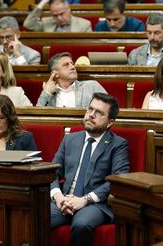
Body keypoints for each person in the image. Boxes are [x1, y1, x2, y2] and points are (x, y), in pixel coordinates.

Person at [50, 92, 129, 246]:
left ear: (110, 122)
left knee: (81, 224)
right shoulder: (70, 139)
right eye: (90, 109)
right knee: (35, 216)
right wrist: (59, 197)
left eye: (98, 113)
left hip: (95, 204)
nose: (91, 115)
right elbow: (52, 171)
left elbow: (118, 178)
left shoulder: (118, 144)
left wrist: (84, 200)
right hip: (65, 200)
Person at [37, 52, 106, 107]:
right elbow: (37, 117)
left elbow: (110, 108)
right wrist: (46, 93)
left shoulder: (92, 86)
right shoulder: (49, 92)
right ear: (55, 74)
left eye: (72, 63)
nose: (73, 67)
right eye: (66, 65)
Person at [23, 0, 92, 32]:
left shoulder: (84, 25)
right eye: (55, 15)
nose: (59, 18)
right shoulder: (45, 23)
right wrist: (42, 2)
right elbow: (28, 25)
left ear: (69, 10)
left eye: (62, 14)